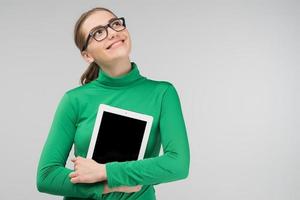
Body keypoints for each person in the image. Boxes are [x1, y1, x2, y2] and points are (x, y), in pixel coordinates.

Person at [36, 6, 190, 200]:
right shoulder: (74, 100)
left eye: (115, 24)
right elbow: (46, 177)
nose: (112, 33)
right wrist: (105, 186)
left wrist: (106, 172)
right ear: (87, 55)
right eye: (98, 32)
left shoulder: (162, 93)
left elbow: (178, 164)